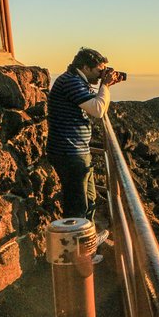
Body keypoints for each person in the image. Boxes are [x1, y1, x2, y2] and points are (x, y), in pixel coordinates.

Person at [46, 47, 123, 244]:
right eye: (99, 70)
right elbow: (97, 110)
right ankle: (77, 257)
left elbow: (97, 105)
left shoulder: (78, 80)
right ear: (85, 67)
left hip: (77, 150)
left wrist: (103, 84)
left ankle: (87, 246)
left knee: (89, 200)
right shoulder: (70, 82)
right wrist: (104, 86)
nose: (101, 75)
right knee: (77, 205)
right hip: (69, 152)